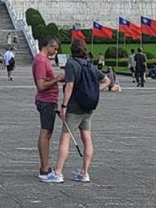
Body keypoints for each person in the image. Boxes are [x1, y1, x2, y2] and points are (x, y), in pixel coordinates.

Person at [52, 38, 109, 183]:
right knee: (87, 138)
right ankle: (84, 172)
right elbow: (107, 81)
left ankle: (58, 172)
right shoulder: (90, 65)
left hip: (75, 108)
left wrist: (64, 106)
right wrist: (94, 91)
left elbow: (69, 86)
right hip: (88, 107)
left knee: (65, 138)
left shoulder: (72, 64)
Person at [33, 37, 64, 180]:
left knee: (48, 132)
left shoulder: (44, 60)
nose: (55, 52)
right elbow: (41, 85)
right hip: (45, 100)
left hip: (49, 101)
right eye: (55, 49)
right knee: (45, 133)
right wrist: (57, 79)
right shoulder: (40, 60)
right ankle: (44, 169)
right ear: (48, 46)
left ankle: (45, 166)